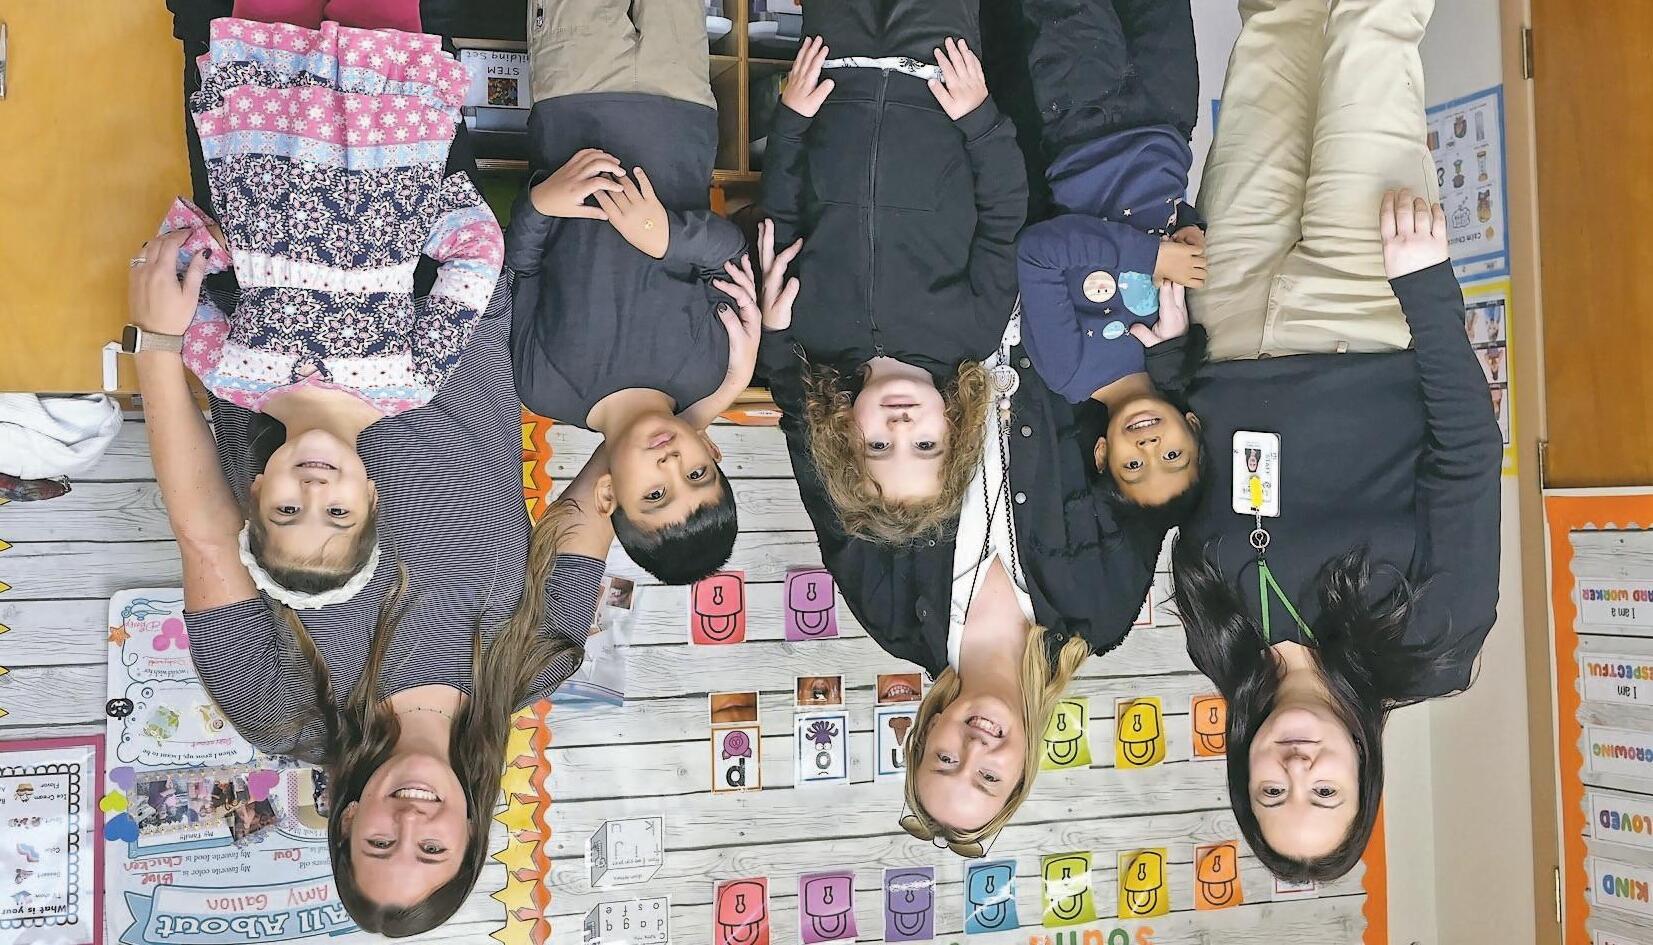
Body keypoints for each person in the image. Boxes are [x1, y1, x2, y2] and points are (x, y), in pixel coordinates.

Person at [131, 227, 612, 935]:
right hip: (452, 271)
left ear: (349, 819)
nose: (410, 820)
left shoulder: (277, 711)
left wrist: (157, 342)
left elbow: (204, 532)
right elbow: (607, 482)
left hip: (275, 282)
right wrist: (702, 402)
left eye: (381, 843)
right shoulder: (538, 659)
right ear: (471, 831)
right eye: (432, 848)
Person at [1173, 0, 1502, 884]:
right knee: (1369, 30)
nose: (1296, 769)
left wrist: (1171, 347)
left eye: (1271, 792)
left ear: (1243, 773)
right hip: (1366, 301)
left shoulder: (1217, 640)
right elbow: (1467, 459)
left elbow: (1191, 464)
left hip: (1231, 308)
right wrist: (1426, 290)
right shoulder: (1430, 645)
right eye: (1323, 793)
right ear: (1363, 774)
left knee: (1275, 29)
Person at [748, 221, 1163, 853]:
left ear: (926, 730)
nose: (974, 749)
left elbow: (822, 465)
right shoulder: (1100, 614)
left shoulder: (893, 613)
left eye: (945, 760)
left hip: (939, 271)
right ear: (1023, 770)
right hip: (1071, 265)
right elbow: (1157, 466)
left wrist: (778, 342)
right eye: (989, 777)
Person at [163, 14, 503, 602]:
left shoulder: (227, 374)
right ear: (370, 496)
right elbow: (476, 255)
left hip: (264, 110)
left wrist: (221, 246)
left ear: (257, 492)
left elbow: (173, 272)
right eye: (338, 513)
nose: (314, 491)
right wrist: (413, 211)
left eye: (288, 511)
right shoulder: (413, 379)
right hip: (386, 120)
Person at [760, 1, 1029, 545]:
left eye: (878, 447)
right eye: (926, 446)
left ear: (843, 435)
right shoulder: (972, 334)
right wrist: (979, 120)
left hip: (835, 71)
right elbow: (1004, 218)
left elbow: (782, 217)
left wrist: (790, 123)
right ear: (954, 430)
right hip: (938, 71)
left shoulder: (809, 336)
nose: (902, 427)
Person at [506, 0, 756, 585]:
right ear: (714, 454)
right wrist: (667, 238)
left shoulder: (543, 387)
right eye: (696, 475)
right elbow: (730, 254)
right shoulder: (708, 367)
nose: (671, 463)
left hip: (575, 96)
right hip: (683, 104)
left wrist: (540, 205)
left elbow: (519, 271)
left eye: (655, 494)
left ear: (608, 494)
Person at [1012, 0, 1210, 519]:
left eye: (1134, 466)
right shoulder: (1171, 348)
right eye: (1173, 456)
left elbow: (1038, 254)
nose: (1149, 448)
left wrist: (1153, 255)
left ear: (1103, 455)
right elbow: (1156, 220)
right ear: (1191, 428)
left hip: (1086, 116)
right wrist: (1190, 228)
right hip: (1168, 122)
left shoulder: (1070, 372)